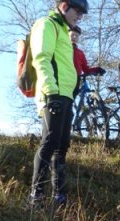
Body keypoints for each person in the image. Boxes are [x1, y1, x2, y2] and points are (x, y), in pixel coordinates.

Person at [28, 0, 88, 207]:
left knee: (61, 146)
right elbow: (42, 59)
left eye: (81, 13)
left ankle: (59, 195)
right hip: (53, 93)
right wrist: (51, 92)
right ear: (64, 6)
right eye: (77, 11)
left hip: (66, 95)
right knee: (50, 142)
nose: (79, 16)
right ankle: (36, 195)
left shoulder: (64, 31)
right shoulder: (47, 24)